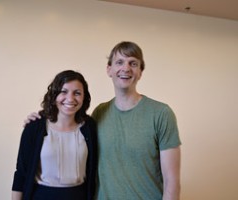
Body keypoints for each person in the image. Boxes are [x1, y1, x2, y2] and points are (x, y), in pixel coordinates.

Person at [25, 41, 181, 200]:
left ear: (140, 72)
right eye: (119, 62)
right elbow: (67, 126)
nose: (126, 68)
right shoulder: (99, 113)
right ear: (109, 69)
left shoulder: (161, 114)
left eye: (133, 63)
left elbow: (172, 182)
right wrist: (39, 120)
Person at [12, 70, 98, 200]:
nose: (70, 98)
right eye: (63, 92)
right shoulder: (34, 127)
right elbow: (21, 173)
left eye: (77, 93)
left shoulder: (89, 127)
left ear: (84, 97)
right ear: (53, 95)